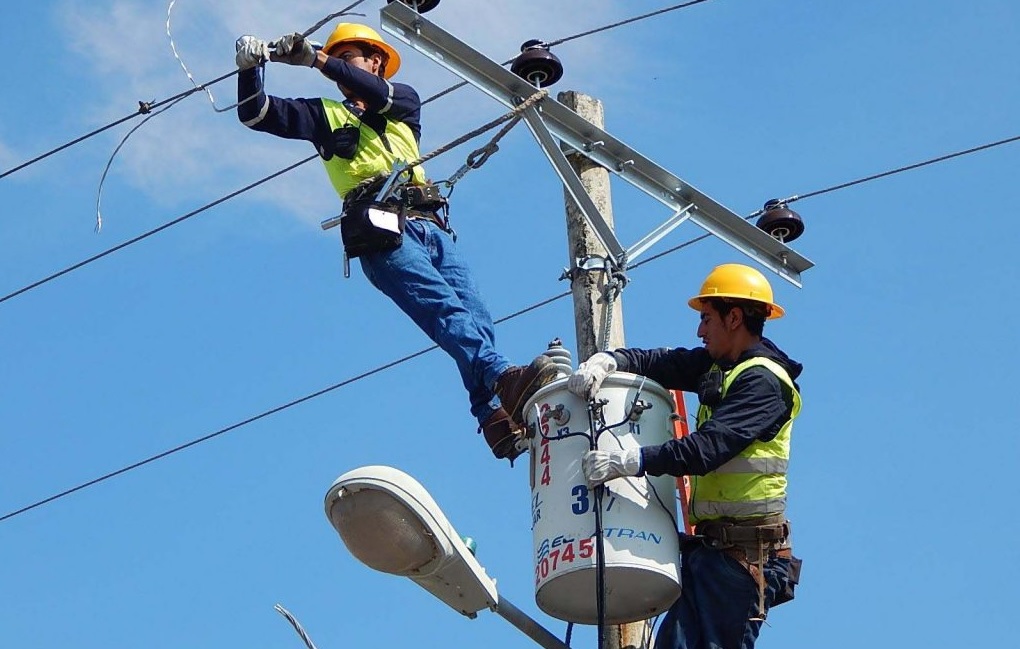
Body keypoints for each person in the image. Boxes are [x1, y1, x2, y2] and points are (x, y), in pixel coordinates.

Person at [233, 24, 556, 461]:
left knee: (476, 317)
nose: (343, 66)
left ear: (376, 62)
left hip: (431, 226)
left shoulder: (403, 103)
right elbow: (255, 114)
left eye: (352, 58)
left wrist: (315, 59)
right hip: (382, 229)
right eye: (339, 58)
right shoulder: (324, 115)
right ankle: (502, 380)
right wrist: (251, 68)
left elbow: (378, 94)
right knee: (445, 310)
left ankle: (495, 418)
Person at [567, 263, 803, 649]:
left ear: (734, 317)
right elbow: (665, 363)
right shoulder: (724, 366)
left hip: (742, 560)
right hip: (715, 555)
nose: (700, 330)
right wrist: (609, 360)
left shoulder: (763, 382)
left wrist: (627, 461)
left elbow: (707, 449)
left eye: (706, 319)